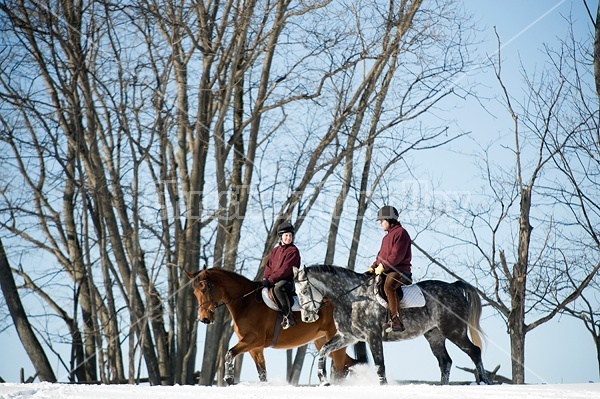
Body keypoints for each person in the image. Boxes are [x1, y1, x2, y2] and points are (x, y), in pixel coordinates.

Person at [365, 205, 413, 333]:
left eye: (382, 220)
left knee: (388, 286)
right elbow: (381, 257)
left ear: (390, 219)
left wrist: (383, 266)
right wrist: (373, 267)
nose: (380, 223)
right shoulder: (386, 237)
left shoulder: (401, 233)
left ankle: (396, 319)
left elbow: (396, 256)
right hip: (387, 270)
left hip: (400, 271)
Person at [262, 221, 301, 329]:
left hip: (288, 281)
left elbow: (285, 270)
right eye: (286, 235)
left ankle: (289, 316)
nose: (288, 238)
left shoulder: (293, 251)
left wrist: (270, 280)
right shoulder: (275, 251)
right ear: (281, 237)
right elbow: (268, 267)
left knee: (278, 288)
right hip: (274, 280)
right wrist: (265, 279)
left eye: (290, 235)